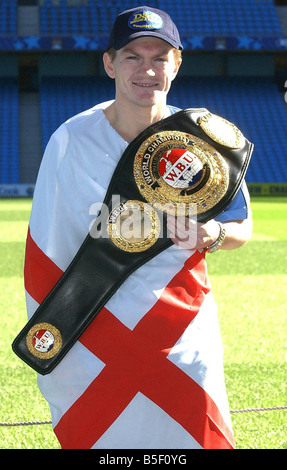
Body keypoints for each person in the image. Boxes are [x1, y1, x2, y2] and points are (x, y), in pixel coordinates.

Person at [24, 6, 252, 449]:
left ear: (177, 64)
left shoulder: (207, 141)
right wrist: (55, 330)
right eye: (132, 56)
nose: (146, 70)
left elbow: (240, 226)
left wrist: (213, 236)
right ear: (110, 63)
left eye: (159, 57)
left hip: (183, 329)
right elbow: (47, 250)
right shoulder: (71, 140)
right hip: (94, 329)